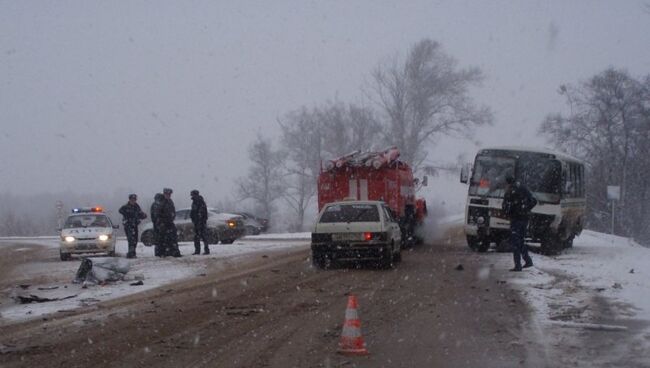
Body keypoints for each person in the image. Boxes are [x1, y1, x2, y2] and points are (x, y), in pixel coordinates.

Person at [502, 175, 537, 271]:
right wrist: (526, 209)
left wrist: (511, 212)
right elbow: (534, 201)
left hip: (516, 220)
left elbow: (505, 207)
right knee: (520, 240)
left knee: (515, 242)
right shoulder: (523, 189)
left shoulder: (509, 192)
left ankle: (518, 265)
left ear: (508, 183)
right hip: (524, 219)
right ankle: (528, 261)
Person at [118, 194, 147, 259]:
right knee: (131, 239)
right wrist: (128, 215)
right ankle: (131, 253)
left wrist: (143, 215)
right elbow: (120, 210)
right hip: (128, 225)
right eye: (132, 199)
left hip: (135, 225)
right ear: (130, 199)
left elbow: (140, 214)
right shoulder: (126, 207)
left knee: (135, 239)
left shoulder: (136, 206)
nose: (133, 201)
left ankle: (133, 252)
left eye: (134, 199)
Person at [160, 187, 182, 257]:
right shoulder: (161, 202)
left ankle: (174, 251)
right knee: (165, 238)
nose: (168, 195)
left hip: (170, 222)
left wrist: (172, 216)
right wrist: (162, 221)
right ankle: (165, 252)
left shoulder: (170, 202)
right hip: (164, 223)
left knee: (173, 237)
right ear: (164, 194)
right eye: (167, 194)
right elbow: (159, 213)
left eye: (169, 194)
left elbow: (173, 211)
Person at [190, 189, 210, 255]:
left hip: (200, 222)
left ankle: (203, 250)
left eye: (192, 195)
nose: (191, 196)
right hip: (198, 222)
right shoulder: (196, 202)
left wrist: (199, 220)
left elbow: (201, 213)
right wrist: (193, 218)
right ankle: (199, 250)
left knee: (201, 236)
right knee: (200, 237)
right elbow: (193, 212)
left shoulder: (199, 202)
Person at [150, 193, 165, 257]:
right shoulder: (157, 205)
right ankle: (160, 253)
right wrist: (160, 222)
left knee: (159, 239)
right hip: (159, 224)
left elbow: (153, 216)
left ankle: (159, 252)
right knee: (160, 239)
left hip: (157, 224)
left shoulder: (155, 205)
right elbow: (156, 215)